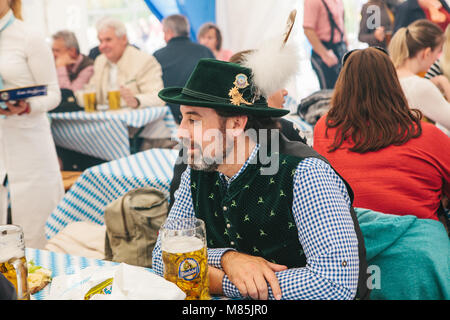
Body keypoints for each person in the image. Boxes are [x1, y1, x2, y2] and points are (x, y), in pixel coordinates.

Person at [153, 57, 369, 300]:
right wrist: (228, 258)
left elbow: (334, 285)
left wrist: (223, 282)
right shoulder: (198, 168)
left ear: (236, 124)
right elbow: (162, 257)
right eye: (182, 119)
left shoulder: (304, 173)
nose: (180, 131)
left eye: (193, 120)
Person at [313, 47, 450, 222]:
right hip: (416, 241)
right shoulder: (429, 136)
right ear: (394, 84)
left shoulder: (325, 128)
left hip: (351, 240)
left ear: (343, 86)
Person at [0, 0, 64, 248]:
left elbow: (54, 94)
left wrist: (28, 106)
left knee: (38, 230)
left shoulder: (29, 37)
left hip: (30, 145)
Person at [88, 16, 164, 109]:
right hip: (107, 120)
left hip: (139, 122)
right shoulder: (100, 61)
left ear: (124, 39)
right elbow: (90, 90)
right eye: (100, 41)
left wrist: (136, 100)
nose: (102, 46)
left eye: (108, 40)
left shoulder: (144, 60)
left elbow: (158, 97)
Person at [389, 19, 450, 132]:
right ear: (426, 53)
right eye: (437, 52)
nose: (437, 58)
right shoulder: (419, 86)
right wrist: (445, 83)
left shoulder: (388, 76)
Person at [153, 14, 215, 124]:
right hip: (203, 114)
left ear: (169, 32)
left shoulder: (158, 56)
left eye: (164, 32)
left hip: (171, 120)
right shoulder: (205, 51)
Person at [303, 0, 348, 89]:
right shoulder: (313, 1)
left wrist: (346, 45)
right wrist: (325, 54)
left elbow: (341, 23)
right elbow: (308, 29)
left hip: (340, 48)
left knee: (345, 89)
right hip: (324, 51)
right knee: (330, 94)